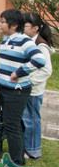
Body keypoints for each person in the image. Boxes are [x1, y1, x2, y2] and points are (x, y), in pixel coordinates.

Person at [0, 9, 47, 166]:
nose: (0, 24)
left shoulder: (25, 41)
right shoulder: (5, 40)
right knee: (12, 124)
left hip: (17, 91)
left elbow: (39, 60)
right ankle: (18, 155)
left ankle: (16, 162)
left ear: (14, 24)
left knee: (12, 126)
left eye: (3, 22)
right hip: (4, 89)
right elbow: (1, 66)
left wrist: (19, 72)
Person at [22, 13, 53, 159]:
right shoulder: (29, 42)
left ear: (35, 28)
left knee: (32, 120)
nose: (23, 28)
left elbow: (46, 70)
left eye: (26, 26)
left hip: (33, 90)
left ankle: (33, 150)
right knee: (26, 119)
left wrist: (28, 81)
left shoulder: (41, 46)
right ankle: (27, 147)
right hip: (26, 88)